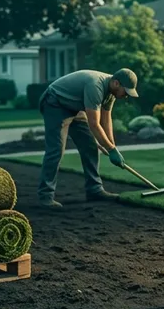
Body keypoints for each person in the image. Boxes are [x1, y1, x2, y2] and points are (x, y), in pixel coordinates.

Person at [37, 68, 138, 208]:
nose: (126, 96)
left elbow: (106, 119)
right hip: (55, 102)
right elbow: (94, 124)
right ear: (116, 83)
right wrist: (111, 149)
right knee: (56, 149)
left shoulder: (111, 93)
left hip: (74, 106)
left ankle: (94, 190)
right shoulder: (95, 86)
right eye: (125, 92)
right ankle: (45, 196)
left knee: (90, 146)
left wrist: (111, 147)